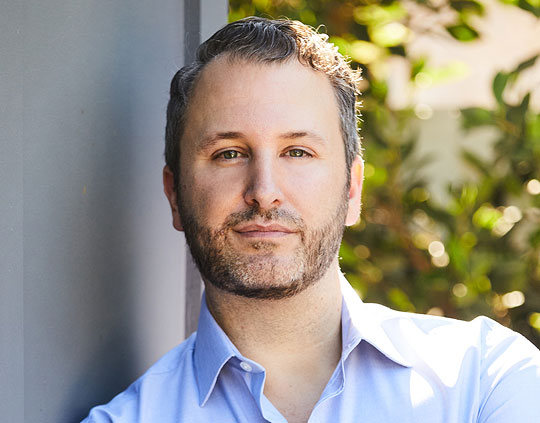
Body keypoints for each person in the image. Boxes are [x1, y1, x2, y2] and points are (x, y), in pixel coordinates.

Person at [83, 17, 540, 423]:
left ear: (352, 189)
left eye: (298, 152)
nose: (264, 191)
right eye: (229, 154)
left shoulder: (487, 378)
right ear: (174, 195)